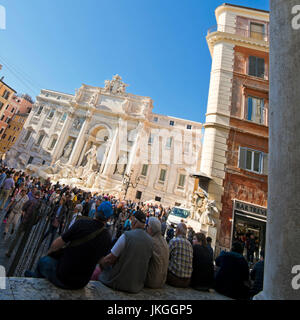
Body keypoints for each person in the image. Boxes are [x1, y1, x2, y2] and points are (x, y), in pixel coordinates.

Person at [24, 201, 113, 290]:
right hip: (81, 283)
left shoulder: (82, 223)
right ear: (109, 219)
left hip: (63, 277)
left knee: (43, 261)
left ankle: (34, 280)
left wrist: (49, 253)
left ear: (96, 211)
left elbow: (58, 243)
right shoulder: (107, 237)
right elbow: (101, 261)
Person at [99, 210, 153, 294]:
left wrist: (100, 262)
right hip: (136, 285)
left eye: (132, 220)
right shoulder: (151, 241)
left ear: (134, 221)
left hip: (119, 282)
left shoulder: (126, 236)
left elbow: (110, 259)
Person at [6, 190, 42, 258]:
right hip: (30, 225)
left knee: (17, 237)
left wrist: (23, 215)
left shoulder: (31, 200)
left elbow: (23, 208)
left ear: (35, 194)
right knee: (24, 240)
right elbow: (39, 216)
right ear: (39, 196)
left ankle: (10, 252)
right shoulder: (40, 204)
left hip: (24, 221)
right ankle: (18, 255)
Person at [145, 217, 169, 289]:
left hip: (150, 281)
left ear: (151, 229)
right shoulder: (165, 242)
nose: (146, 228)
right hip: (162, 281)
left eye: (147, 226)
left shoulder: (150, 241)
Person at [167, 223, 193, 288]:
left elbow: (165, 255)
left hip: (174, 278)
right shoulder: (190, 244)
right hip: (187, 281)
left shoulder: (174, 241)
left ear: (177, 230)